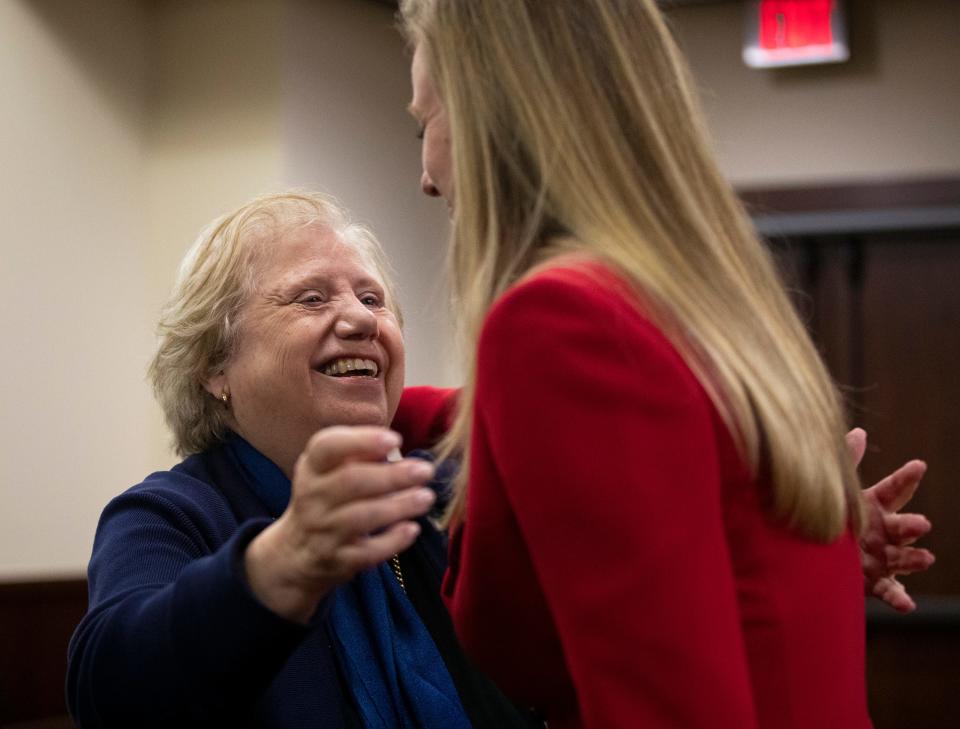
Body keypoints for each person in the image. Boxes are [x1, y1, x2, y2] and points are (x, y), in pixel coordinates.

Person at [398, 0, 934, 727]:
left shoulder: (556, 322)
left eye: (422, 123)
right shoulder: (709, 303)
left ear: (493, 113)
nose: (426, 177)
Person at [66, 191, 540, 728]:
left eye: (372, 299)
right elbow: (110, 698)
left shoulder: (436, 496)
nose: (362, 322)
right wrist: (287, 561)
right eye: (311, 299)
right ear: (213, 366)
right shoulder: (167, 515)